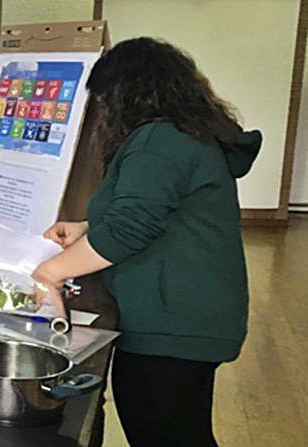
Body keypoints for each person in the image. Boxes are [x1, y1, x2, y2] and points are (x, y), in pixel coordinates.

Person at [30, 38, 260, 446]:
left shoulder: (159, 141)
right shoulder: (183, 134)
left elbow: (130, 227)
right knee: (180, 430)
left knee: (162, 430)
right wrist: (87, 226)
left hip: (174, 323)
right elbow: (158, 209)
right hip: (189, 315)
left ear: (127, 94)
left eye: (104, 99)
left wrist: (51, 272)